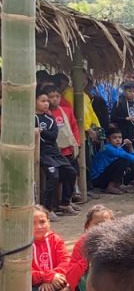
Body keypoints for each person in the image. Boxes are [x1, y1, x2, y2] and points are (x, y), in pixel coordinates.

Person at [36, 88, 79, 216]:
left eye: (46, 101)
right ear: (34, 102)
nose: (46, 103)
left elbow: (53, 135)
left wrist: (41, 131)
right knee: (53, 176)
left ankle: (65, 203)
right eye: (42, 101)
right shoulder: (31, 118)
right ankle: (47, 209)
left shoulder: (50, 119)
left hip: (54, 152)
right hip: (42, 153)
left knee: (71, 172)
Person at [31, 206, 73, 291]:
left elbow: (66, 262)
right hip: (34, 285)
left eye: (42, 222)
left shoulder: (56, 240)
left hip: (56, 281)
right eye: (33, 223)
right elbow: (25, 271)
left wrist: (53, 277)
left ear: (49, 222)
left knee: (76, 284)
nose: (39, 227)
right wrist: (46, 277)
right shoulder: (23, 245)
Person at [90, 129, 134, 194]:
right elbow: (125, 156)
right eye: (114, 138)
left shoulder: (119, 148)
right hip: (98, 179)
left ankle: (117, 185)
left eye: (120, 137)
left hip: (106, 177)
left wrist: (130, 147)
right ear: (108, 140)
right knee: (122, 160)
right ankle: (110, 186)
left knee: (133, 164)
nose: (118, 140)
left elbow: (132, 160)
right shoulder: (107, 147)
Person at [110, 80, 134, 157]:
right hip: (124, 133)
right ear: (124, 91)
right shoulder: (118, 103)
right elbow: (113, 118)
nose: (132, 93)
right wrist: (126, 118)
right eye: (129, 91)